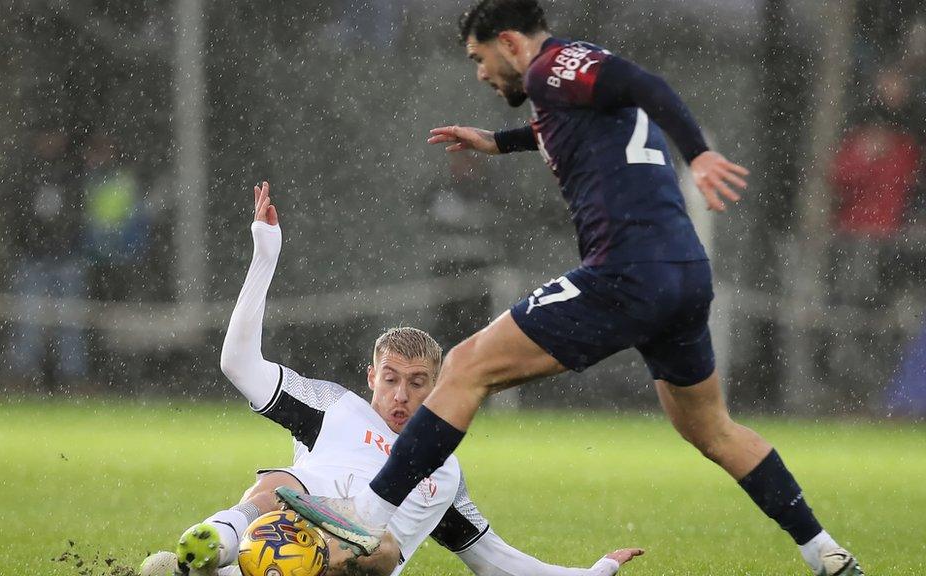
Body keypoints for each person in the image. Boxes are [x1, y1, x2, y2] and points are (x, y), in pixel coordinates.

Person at [277, 2, 863, 576]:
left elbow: (645, 83)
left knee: (464, 366)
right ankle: (824, 552)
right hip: (683, 274)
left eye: (480, 59)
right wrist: (500, 142)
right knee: (712, 430)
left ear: (509, 42)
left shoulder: (549, 67)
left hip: (624, 273)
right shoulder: (568, 91)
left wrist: (700, 152)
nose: (481, 74)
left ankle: (367, 517)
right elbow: (574, 124)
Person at [139, 182, 643, 576]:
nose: (401, 395)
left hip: (354, 558)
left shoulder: (441, 471)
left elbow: (495, 562)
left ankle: (227, 563)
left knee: (379, 548)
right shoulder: (332, 407)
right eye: (391, 379)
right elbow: (238, 364)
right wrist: (265, 253)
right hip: (289, 523)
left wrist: (594, 570)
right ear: (370, 378)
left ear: (439, 384)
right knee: (277, 485)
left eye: (418, 382)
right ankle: (213, 543)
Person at [7, 127, 88, 392]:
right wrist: (32, 244)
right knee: (28, 322)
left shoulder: (70, 175)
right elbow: (17, 215)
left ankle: (72, 379)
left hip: (66, 259)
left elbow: (77, 215)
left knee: (71, 323)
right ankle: (23, 377)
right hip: (34, 259)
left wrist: (65, 244)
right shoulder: (28, 174)